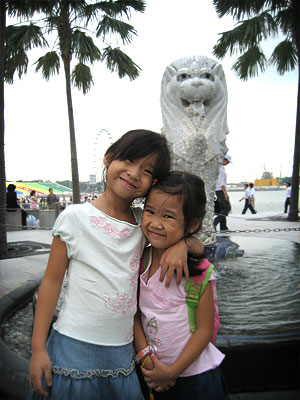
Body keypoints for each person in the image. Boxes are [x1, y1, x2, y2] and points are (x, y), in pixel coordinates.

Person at [28, 130, 203, 400]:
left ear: (152, 183)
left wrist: (184, 244)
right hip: (73, 345)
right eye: (129, 160)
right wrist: (38, 348)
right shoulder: (75, 217)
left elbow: (196, 244)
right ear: (109, 158)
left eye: (146, 171)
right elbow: (51, 282)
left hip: (122, 351)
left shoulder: (143, 224)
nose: (134, 173)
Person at [134, 171, 229, 400]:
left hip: (195, 378)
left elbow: (204, 330)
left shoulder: (197, 272)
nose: (155, 223)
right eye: (150, 211)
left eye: (168, 216)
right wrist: (145, 357)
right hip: (152, 372)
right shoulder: (140, 261)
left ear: (192, 224)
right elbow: (134, 314)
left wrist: (171, 372)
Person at [213, 154, 232, 232]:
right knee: (227, 208)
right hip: (220, 190)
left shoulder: (221, 168)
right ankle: (214, 224)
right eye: (227, 161)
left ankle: (223, 227)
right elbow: (221, 182)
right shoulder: (220, 168)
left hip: (219, 190)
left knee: (222, 208)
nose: (227, 163)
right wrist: (225, 193)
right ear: (224, 159)